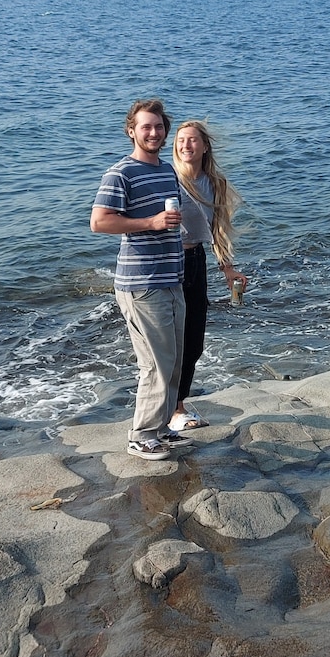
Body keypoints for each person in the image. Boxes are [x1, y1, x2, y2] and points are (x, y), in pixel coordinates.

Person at [91, 98, 188, 460]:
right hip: (141, 282)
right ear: (131, 130)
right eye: (146, 126)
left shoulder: (166, 170)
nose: (154, 132)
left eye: (159, 127)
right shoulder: (120, 173)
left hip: (171, 277)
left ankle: (161, 428)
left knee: (174, 358)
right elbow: (99, 221)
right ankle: (141, 435)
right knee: (156, 362)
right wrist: (150, 223)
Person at [170, 119, 247, 432]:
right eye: (180, 140)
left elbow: (218, 230)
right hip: (167, 263)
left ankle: (175, 403)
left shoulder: (216, 183)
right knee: (170, 339)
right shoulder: (167, 177)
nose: (185, 145)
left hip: (196, 260)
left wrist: (227, 268)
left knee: (194, 341)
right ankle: (174, 409)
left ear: (204, 146)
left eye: (192, 140)